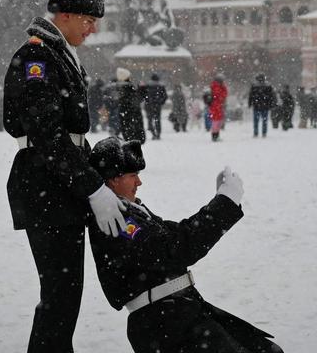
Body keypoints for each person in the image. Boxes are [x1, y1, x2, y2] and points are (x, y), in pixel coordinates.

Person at [2, 0, 124, 353]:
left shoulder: (57, 52)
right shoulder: (38, 57)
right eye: (88, 19)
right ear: (65, 14)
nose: (94, 28)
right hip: (46, 186)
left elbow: (64, 136)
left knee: (64, 295)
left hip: (57, 185)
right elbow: (48, 136)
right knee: (60, 295)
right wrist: (92, 187)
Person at [85, 137, 282, 353]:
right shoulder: (115, 218)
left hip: (178, 313)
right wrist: (224, 204)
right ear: (113, 180)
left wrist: (219, 203)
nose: (139, 183)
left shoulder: (128, 210)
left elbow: (176, 234)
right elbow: (175, 248)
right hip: (165, 323)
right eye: (133, 176)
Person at [115, 68, 146, 144]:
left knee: (127, 135)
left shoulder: (118, 87)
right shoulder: (129, 87)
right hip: (132, 116)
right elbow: (137, 99)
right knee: (133, 139)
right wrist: (142, 89)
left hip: (125, 115)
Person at [248, 74, 275, 138]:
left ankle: (256, 133)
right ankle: (264, 133)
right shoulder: (268, 86)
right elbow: (271, 97)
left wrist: (250, 103)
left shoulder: (254, 86)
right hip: (265, 106)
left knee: (256, 121)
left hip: (256, 106)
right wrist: (271, 104)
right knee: (264, 121)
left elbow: (251, 96)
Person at [143, 73, 168, 141]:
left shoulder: (147, 86)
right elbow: (165, 96)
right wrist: (161, 102)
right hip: (157, 106)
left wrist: (147, 101)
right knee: (157, 120)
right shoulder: (161, 87)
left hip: (149, 106)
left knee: (150, 120)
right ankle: (158, 134)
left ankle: (153, 133)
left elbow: (143, 95)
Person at [207, 75, 228, 142]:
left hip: (215, 106)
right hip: (216, 106)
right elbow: (222, 95)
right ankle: (215, 136)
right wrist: (223, 88)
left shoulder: (214, 86)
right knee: (216, 121)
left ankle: (215, 135)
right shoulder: (217, 87)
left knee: (216, 121)